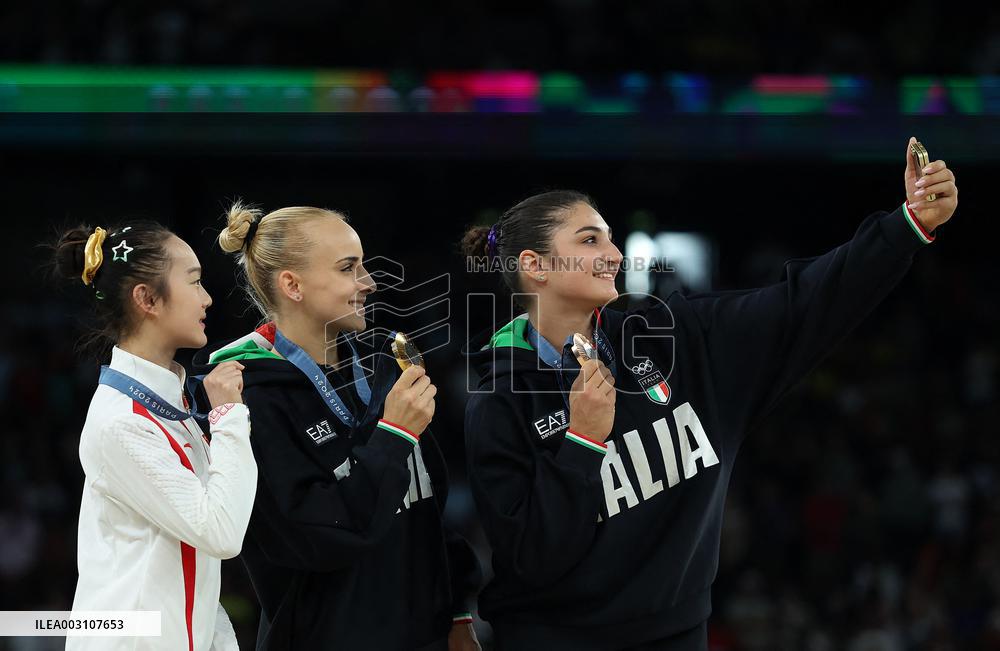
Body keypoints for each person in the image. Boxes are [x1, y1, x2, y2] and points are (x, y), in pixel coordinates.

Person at [460, 138, 958, 650]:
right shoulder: (499, 399)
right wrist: (583, 442)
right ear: (536, 266)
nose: (612, 253)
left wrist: (905, 228)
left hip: (679, 634)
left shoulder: (676, 335)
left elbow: (800, 304)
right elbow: (531, 561)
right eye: (589, 240)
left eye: (610, 239)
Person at [194, 203, 481, 650]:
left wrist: (457, 610)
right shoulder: (246, 399)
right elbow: (315, 539)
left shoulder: (387, 365)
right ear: (293, 284)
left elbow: (427, 505)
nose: (368, 282)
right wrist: (394, 437)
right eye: (349, 268)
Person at [51, 220, 257, 650]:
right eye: (195, 282)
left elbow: (187, 560)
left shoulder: (169, 399)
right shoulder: (121, 420)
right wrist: (229, 415)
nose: (208, 298)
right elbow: (220, 533)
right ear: (146, 299)